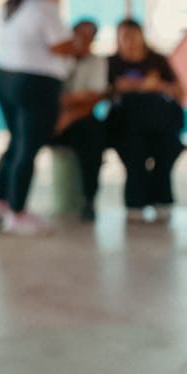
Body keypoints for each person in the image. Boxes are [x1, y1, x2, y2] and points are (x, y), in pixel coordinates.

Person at [0, 0, 78, 236]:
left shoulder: (11, 6)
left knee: (16, 142)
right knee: (28, 148)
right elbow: (61, 45)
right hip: (36, 84)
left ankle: (2, 202)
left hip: (5, 80)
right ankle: (18, 212)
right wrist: (78, 44)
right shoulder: (45, 6)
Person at [107, 18, 186, 222]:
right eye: (125, 37)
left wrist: (155, 85)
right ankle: (135, 201)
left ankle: (161, 200)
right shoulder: (112, 62)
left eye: (134, 36)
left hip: (161, 125)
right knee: (134, 155)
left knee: (167, 150)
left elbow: (179, 91)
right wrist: (129, 87)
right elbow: (103, 92)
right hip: (128, 126)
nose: (130, 42)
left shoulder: (157, 60)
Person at [51, 19, 109, 222]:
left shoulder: (96, 62)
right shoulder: (57, 59)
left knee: (92, 143)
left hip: (78, 119)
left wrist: (68, 113)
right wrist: (74, 99)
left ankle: (89, 200)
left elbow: (93, 98)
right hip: (51, 117)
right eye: (79, 34)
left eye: (88, 36)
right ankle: (12, 204)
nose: (83, 40)